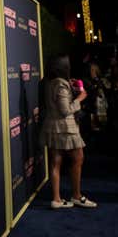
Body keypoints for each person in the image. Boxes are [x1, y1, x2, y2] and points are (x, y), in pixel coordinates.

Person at [40, 55, 97, 209]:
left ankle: (56, 199)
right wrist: (80, 98)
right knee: (78, 158)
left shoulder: (47, 81)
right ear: (63, 67)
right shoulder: (60, 84)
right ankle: (77, 196)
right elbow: (66, 110)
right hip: (66, 127)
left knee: (55, 162)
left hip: (51, 126)